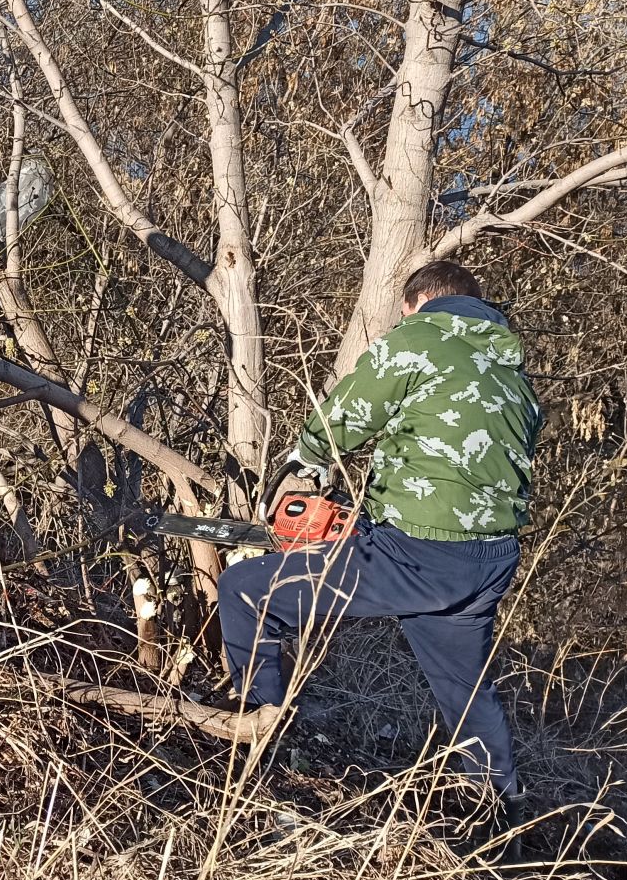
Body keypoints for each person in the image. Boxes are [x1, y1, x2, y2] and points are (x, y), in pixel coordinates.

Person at [215, 261, 541, 798]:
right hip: (489, 558)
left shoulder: (419, 337)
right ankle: (500, 805)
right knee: (465, 691)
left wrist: (310, 459)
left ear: (415, 303)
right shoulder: (511, 372)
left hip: (416, 551)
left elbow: (347, 413)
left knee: (247, 592)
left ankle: (259, 743)